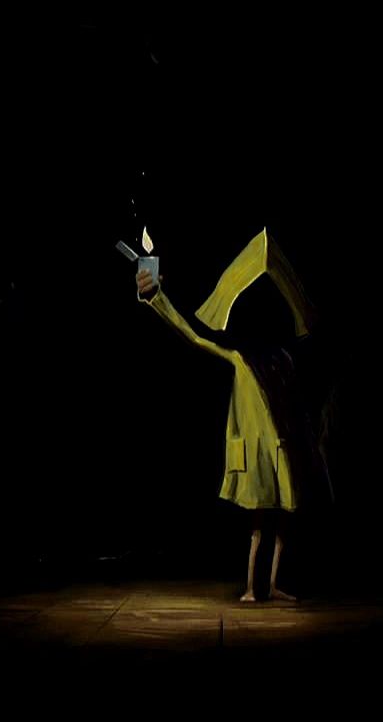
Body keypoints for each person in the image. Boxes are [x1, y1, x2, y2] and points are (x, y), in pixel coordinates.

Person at [135, 228, 331, 602]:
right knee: (259, 527)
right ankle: (252, 588)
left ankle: (271, 585)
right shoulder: (242, 360)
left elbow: (300, 410)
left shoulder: (284, 362)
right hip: (259, 461)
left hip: (281, 457)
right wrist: (157, 297)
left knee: (283, 524)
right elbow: (194, 336)